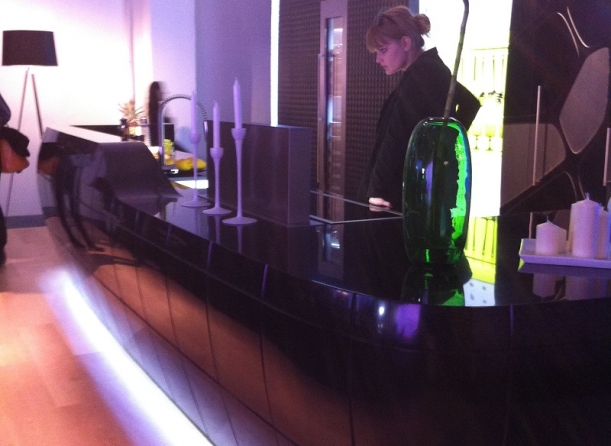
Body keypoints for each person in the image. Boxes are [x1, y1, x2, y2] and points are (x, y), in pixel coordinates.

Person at [358, 6, 480, 210]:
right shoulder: (429, 68)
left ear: (406, 43)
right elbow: (470, 102)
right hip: (416, 184)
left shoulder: (423, 71)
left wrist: (377, 189)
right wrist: (443, 142)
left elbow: (395, 134)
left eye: (383, 50)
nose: (378, 59)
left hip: (403, 192)